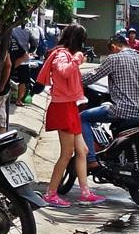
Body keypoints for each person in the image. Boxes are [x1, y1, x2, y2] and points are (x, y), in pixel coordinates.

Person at [39, 24, 105, 207]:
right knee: (67, 153)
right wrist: (76, 60)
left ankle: (85, 191)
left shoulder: (66, 54)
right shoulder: (62, 54)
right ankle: (51, 193)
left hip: (69, 105)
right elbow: (63, 71)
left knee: (82, 151)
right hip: (63, 106)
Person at [79, 33, 139, 168]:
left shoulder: (114, 59)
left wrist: (74, 78)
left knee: (82, 117)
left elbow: (91, 77)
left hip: (122, 111)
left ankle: (91, 160)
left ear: (114, 47)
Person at [8, 21, 38, 105]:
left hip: (11, 57)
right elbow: (34, 43)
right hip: (24, 59)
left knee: (7, 75)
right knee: (23, 81)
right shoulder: (28, 31)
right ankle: (18, 100)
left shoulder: (11, 29)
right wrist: (29, 51)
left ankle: (5, 95)